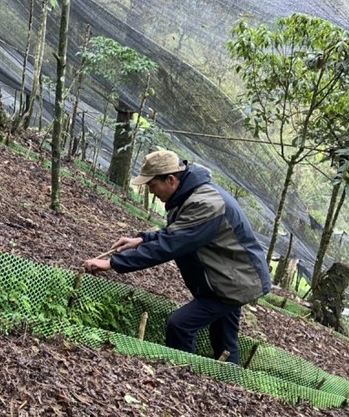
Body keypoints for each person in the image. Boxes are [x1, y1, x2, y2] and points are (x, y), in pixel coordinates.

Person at [84, 150, 271, 365]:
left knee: (180, 325)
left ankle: (183, 377)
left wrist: (112, 263)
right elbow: (180, 230)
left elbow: (172, 244)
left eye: (152, 185)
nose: (151, 192)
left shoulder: (206, 203)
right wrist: (143, 239)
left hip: (235, 283)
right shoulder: (191, 194)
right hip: (232, 278)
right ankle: (230, 383)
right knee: (225, 342)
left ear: (171, 180)